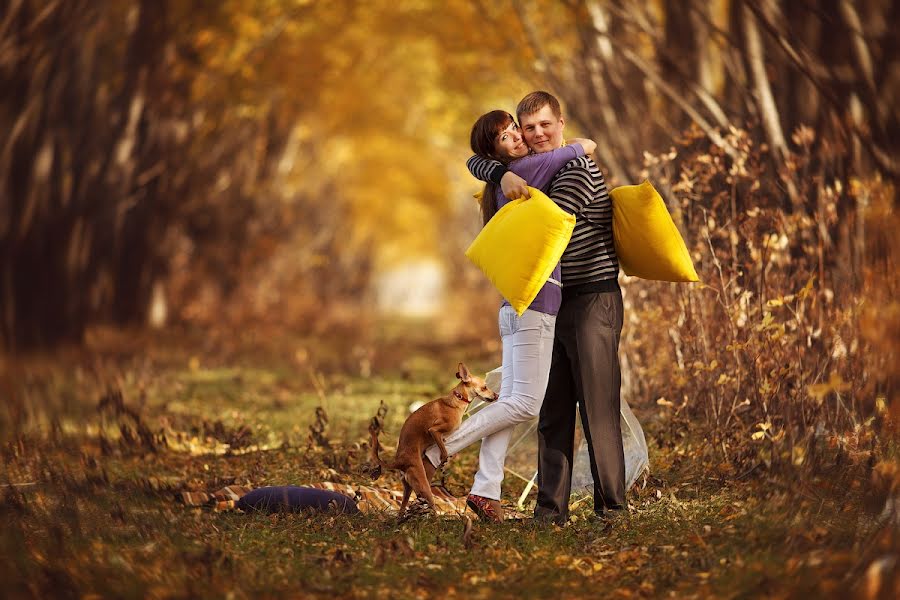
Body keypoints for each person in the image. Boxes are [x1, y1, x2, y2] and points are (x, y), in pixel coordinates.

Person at [421, 109, 597, 522]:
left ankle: (485, 490)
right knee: (525, 404)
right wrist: (579, 146)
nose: (517, 137)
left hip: (517, 308)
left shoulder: (508, 177)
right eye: (504, 137)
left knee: (509, 399)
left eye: (514, 129)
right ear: (496, 151)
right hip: (534, 305)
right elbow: (580, 147)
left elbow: (478, 160)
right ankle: (430, 454)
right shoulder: (525, 171)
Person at [466, 91, 627, 524]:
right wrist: (499, 172)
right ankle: (550, 511)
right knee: (551, 409)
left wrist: (506, 175)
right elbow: (479, 159)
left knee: (597, 407)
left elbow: (548, 219)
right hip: (549, 300)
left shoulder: (576, 167)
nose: (537, 134)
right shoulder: (525, 169)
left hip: (593, 297)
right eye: (528, 127)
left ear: (561, 123)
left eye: (545, 125)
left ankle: (611, 508)